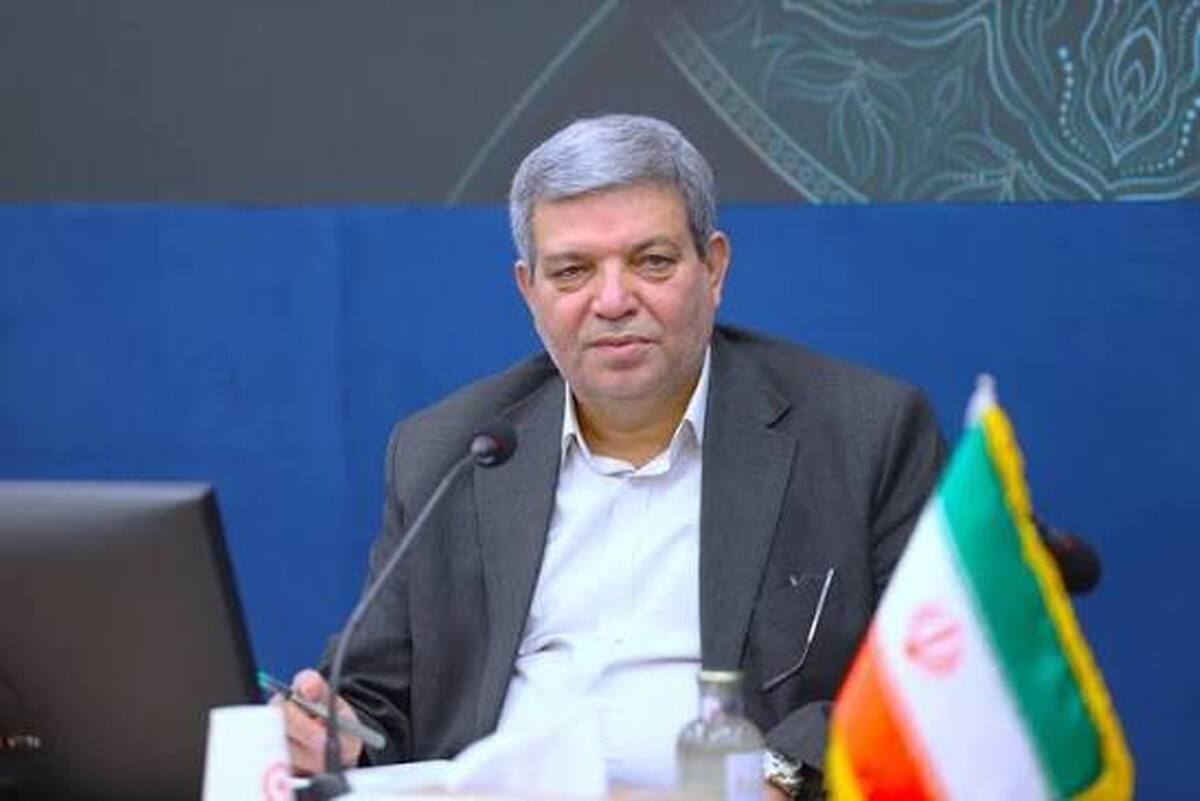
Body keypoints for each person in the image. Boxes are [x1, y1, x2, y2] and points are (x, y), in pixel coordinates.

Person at [277, 114, 945, 798]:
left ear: (714, 268)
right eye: (573, 271)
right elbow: (374, 699)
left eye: (652, 261)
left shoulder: (863, 433)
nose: (615, 301)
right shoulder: (449, 450)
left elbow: (932, 679)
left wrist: (774, 778)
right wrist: (337, 730)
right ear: (528, 290)